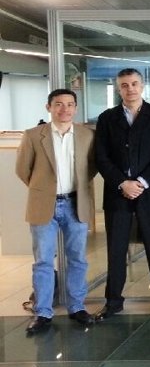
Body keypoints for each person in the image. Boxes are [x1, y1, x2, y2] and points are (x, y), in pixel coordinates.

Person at [94, 68, 150, 319]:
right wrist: (123, 183)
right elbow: (101, 157)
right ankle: (113, 302)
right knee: (116, 250)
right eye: (124, 85)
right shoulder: (107, 118)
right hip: (117, 193)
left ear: (142, 86)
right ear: (118, 89)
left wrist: (140, 182)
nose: (130, 89)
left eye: (134, 84)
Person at [16, 89, 97, 334]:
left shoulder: (87, 135)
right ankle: (43, 312)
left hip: (75, 203)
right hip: (44, 204)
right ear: (48, 107)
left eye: (70, 104)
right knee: (43, 260)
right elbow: (22, 170)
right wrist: (44, 190)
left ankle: (77, 307)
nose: (65, 109)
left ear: (76, 108)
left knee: (78, 259)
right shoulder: (33, 135)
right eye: (59, 104)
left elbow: (91, 168)